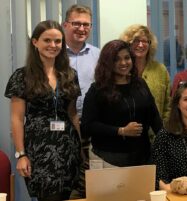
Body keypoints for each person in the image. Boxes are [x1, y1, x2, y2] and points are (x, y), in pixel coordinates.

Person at [5, 20, 81, 201]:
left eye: (58, 41)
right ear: (35, 42)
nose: (53, 45)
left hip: (67, 147)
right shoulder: (22, 76)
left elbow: (72, 114)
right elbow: (16, 119)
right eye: (47, 40)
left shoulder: (70, 75)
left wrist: (81, 150)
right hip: (39, 150)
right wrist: (21, 154)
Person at [81, 40, 162, 168]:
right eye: (116, 59)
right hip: (108, 159)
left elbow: (154, 116)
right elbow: (87, 126)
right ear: (108, 62)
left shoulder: (139, 84)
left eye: (127, 58)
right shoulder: (98, 89)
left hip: (142, 157)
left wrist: (167, 141)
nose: (123, 63)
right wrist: (121, 131)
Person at [62, 4, 100, 198]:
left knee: (90, 183)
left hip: (90, 129)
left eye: (86, 24)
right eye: (76, 23)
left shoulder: (98, 55)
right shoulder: (54, 54)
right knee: (64, 183)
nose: (82, 28)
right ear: (65, 25)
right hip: (62, 127)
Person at [120, 24, 171, 141]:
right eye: (136, 41)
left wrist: (164, 129)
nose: (141, 45)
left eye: (145, 41)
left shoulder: (160, 70)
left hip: (157, 137)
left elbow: (169, 103)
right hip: (126, 138)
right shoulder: (121, 69)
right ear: (128, 43)